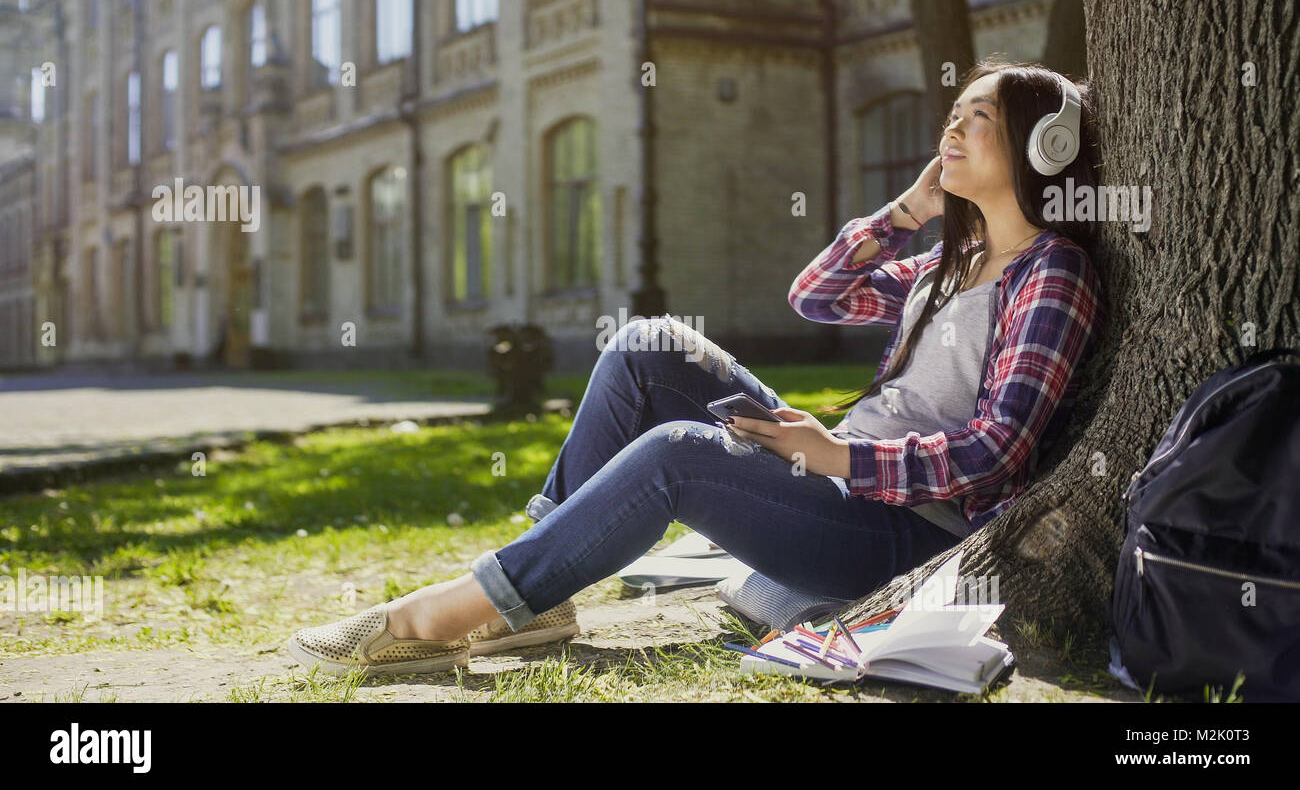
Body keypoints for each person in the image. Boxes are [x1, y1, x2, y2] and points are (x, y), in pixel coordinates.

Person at [285, 59, 1108, 676]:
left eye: (977, 120)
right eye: (951, 116)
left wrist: (836, 457)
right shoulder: (943, 263)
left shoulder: (1051, 272)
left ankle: (443, 616)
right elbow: (816, 296)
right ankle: (537, 586)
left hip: (904, 531)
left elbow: (998, 449)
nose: (950, 133)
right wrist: (909, 212)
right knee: (649, 346)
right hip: (837, 474)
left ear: (1043, 145)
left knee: (681, 450)